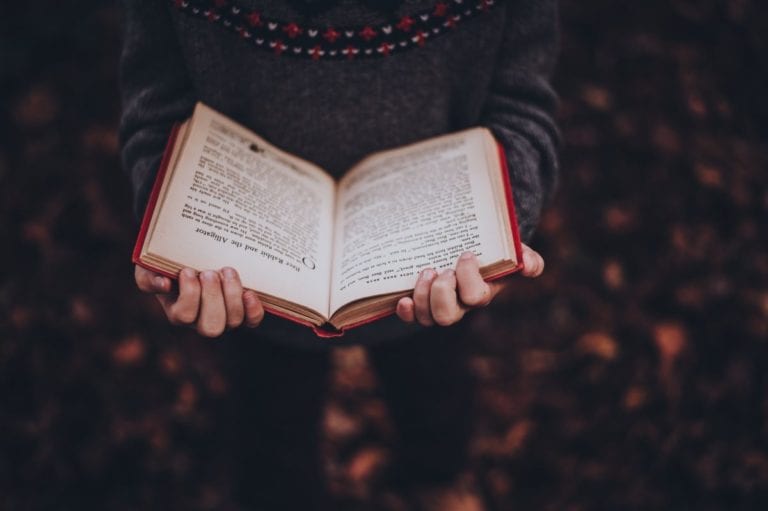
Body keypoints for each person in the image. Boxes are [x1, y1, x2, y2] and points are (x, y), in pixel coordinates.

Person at [119, 0, 558, 509]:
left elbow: (521, 105)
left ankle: (435, 476)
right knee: (270, 426)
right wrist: (175, 238)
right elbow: (158, 109)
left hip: (434, 273)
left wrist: (500, 230)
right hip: (251, 283)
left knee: (435, 392)